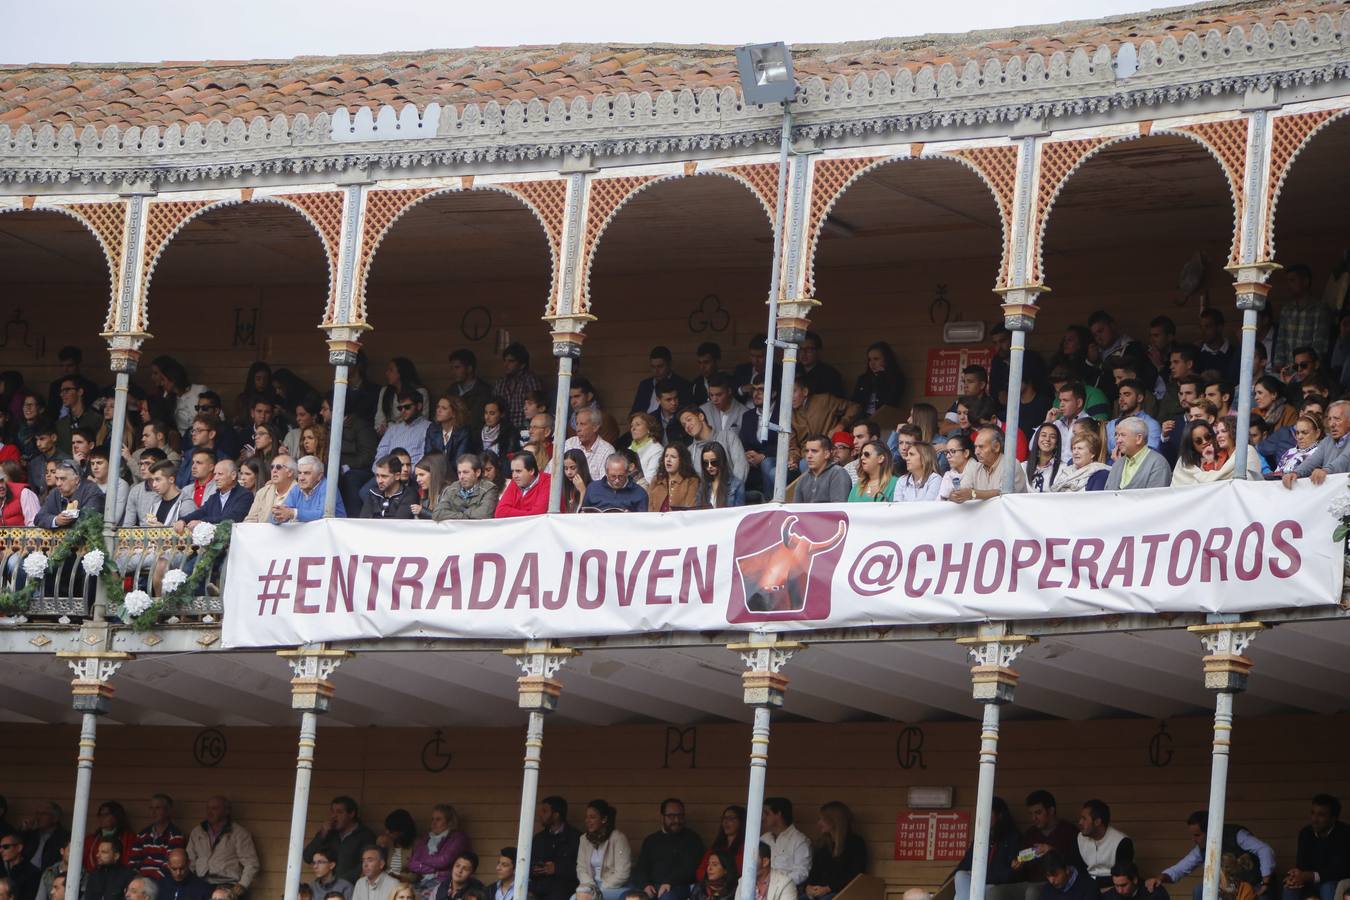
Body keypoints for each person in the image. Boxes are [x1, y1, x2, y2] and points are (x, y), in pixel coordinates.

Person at [1148, 812, 1275, 900]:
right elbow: (1180, 869)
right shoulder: (1202, 849)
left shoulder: (1236, 834)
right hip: (1225, 889)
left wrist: (1266, 883)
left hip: (1254, 884)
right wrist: (1160, 878)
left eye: (1197, 835)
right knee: (1199, 890)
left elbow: (1265, 850)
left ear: (1211, 831)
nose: (1193, 839)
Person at [632, 799, 703, 900]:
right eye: (671, 816)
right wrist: (645, 885)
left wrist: (670, 882)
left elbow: (691, 868)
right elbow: (641, 867)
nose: (677, 820)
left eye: (680, 816)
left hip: (679, 886)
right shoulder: (651, 840)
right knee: (628, 897)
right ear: (662, 817)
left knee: (667, 897)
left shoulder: (692, 839)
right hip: (652, 887)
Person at [1283, 794, 1350, 900]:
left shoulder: (1345, 834)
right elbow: (1301, 865)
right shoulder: (1305, 833)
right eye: (1313, 813)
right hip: (1309, 883)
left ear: (1333, 819)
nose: (1314, 819)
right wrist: (1295, 877)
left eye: (1321, 815)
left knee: (1328, 887)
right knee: (1290, 887)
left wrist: (1311, 876)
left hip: (1335, 882)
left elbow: (1341, 871)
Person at [185, 797, 258, 894]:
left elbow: (251, 863)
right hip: (201, 881)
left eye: (214, 808)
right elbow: (189, 860)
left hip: (227, 884)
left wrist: (243, 884)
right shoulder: (198, 831)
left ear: (227, 811)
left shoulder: (239, 833)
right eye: (208, 808)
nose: (209, 812)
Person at [954, 798, 1019, 900]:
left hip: (996, 887)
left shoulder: (1012, 838)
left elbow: (1010, 874)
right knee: (960, 875)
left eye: (988, 813)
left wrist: (983, 877)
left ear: (1000, 816)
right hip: (977, 886)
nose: (983, 817)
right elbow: (964, 865)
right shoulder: (981, 838)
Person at [1015, 791, 1082, 889]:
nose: (1034, 818)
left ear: (1051, 811)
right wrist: (1018, 864)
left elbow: (1076, 865)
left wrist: (1052, 851)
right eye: (1031, 814)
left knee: (1032, 891)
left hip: (1056, 884)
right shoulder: (1030, 833)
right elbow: (1023, 863)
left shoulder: (1069, 831)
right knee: (996, 892)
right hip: (1029, 883)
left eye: (1038, 813)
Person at [304, 798, 377, 886]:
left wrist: (341, 882)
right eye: (332, 812)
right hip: (325, 888)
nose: (334, 816)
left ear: (351, 814)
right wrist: (322, 834)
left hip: (351, 888)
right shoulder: (328, 833)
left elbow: (367, 864)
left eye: (339, 812)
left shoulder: (365, 835)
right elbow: (307, 857)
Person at [803, 803, 866, 900]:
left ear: (835, 820)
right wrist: (808, 887)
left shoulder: (855, 844)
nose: (819, 824)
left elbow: (854, 875)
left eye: (822, 819)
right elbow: (814, 871)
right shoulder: (823, 844)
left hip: (842, 893)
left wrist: (828, 888)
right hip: (819, 892)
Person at [1274, 265, 1330, 370]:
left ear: (1305, 282)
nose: (1289, 285)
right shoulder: (1286, 310)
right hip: (1288, 370)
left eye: (1292, 280)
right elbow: (1281, 340)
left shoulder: (1319, 309)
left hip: (1309, 371)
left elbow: (1320, 344)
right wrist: (1279, 365)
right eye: (1288, 281)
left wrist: (1307, 367)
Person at [949, 427, 1027, 501]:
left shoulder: (1011, 465)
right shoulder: (975, 467)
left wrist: (973, 494)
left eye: (981, 447)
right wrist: (956, 495)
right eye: (975, 447)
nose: (976, 452)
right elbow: (962, 491)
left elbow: (1004, 495)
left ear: (996, 447)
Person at [1282, 401, 1350, 486]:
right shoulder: (1327, 441)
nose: (1332, 424)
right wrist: (1296, 473)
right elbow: (1312, 460)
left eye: (1337, 419)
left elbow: (1344, 459)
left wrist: (1325, 471)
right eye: (1329, 419)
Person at [408, 805, 469, 899]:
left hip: (443, 882)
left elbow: (443, 861)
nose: (433, 823)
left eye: (438, 819)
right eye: (432, 819)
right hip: (422, 881)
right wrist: (434, 870)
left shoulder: (457, 838)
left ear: (449, 822)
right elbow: (412, 864)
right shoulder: (426, 838)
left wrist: (422, 861)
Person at [574, 801, 630, 900]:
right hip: (591, 887)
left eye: (592, 817)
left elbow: (623, 873)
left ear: (604, 819)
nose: (587, 820)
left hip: (614, 888)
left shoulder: (618, 838)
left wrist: (601, 888)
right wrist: (591, 887)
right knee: (574, 898)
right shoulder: (584, 839)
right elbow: (581, 868)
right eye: (586, 817)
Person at [175, 460, 251, 531]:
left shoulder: (245, 495)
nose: (216, 478)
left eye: (220, 474)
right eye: (215, 474)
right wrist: (183, 520)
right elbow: (200, 512)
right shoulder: (214, 497)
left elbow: (232, 518)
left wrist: (203, 522)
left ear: (233, 475)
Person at [530, 797, 580, 900]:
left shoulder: (576, 838)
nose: (540, 815)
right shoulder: (538, 838)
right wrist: (534, 869)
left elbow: (583, 869)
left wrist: (557, 869)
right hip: (538, 887)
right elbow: (527, 863)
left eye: (545, 811)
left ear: (556, 815)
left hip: (564, 890)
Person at [679, 407, 747, 483]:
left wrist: (731, 491)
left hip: (732, 491)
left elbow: (741, 466)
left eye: (689, 420)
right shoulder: (689, 451)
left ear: (701, 417)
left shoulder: (728, 437)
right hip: (704, 494)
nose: (687, 426)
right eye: (684, 425)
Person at [1078, 801, 1133, 892]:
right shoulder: (1080, 838)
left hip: (1113, 888)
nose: (1080, 822)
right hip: (1087, 886)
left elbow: (1124, 875)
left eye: (1084, 819)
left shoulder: (1122, 842)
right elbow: (1077, 869)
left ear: (1097, 822)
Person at [34, 458, 104, 528]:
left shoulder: (92, 491)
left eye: (62, 479)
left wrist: (67, 521)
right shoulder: (55, 492)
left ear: (76, 480)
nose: (58, 484)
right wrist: (56, 520)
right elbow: (38, 518)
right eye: (57, 479)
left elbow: (90, 520)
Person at [129, 794, 185, 881]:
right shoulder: (142, 834)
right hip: (140, 880)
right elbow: (133, 862)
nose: (153, 812)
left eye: (158, 808)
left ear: (167, 811)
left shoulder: (175, 835)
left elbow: (170, 865)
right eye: (151, 808)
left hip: (161, 882)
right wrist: (135, 878)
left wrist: (149, 880)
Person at [1105, 418, 1172, 490]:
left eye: (1122, 435)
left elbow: (1155, 498)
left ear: (1139, 438)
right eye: (1117, 435)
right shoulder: (1117, 464)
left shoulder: (1158, 464)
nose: (1118, 440)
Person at [273, 457, 345, 523]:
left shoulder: (328, 487)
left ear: (319, 476)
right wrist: (277, 515)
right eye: (299, 473)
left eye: (307, 473)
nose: (301, 478)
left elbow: (324, 515)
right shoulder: (296, 489)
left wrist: (293, 513)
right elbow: (277, 517)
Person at [493, 344, 545, 428]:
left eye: (511, 361)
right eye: (505, 361)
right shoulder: (500, 383)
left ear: (522, 364)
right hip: (502, 430)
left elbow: (538, 408)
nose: (506, 365)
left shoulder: (530, 380)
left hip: (526, 429)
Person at [434, 454, 499, 520]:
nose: (461, 476)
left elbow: (483, 515)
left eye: (465, 472)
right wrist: (462, 515)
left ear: (477, 473)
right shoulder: (452, 488)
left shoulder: (489, 489)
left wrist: (458, 511)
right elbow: (437, 513)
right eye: (459, 473)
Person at [761, 800, 809, 887]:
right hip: (760, 889)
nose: (763, 818)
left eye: (767, 813)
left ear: (779, 814)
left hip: (786, 891)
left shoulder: (799, 840)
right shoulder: (764, 838)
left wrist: (778, 884)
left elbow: (802, 872)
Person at [377, 391, 430, 469]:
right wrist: (381, 471)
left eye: (407, 407)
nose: (403, 411)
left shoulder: (429, 428)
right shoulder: (393, 429)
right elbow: (381, 453)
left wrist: (405, 473)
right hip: (387, 474)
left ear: (419, 406)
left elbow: (425, 457)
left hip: (413, 476)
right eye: (400, 408)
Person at [632, 347, 692, 414]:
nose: (656, 371)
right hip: (646, 422)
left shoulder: (683, 385)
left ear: (669, 364)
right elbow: (634, 412)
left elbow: (686, 412)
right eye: (653, 367)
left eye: (660, 366)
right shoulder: (645, 385)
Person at [851, 341, 903, 418]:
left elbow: (891, 401)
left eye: (876, 359)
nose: (872, 363)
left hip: (884, 419)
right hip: (862, 419)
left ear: (886, 359)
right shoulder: (863, 379)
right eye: (869, 359)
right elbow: (855, 402)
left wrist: (881, 377)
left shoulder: (896, 379)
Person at [447, 349, 494, 431]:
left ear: (469, 368)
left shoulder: (486, 392)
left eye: (457, 367)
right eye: (452, 368)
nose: (453, 372)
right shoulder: (450, 391)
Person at [564, 409, 616, 482]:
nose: (578, 429)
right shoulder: (569, 443)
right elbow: (550, 471)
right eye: (577, 424)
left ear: (595, 427)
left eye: (582, 424)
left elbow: (605, 485)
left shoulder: (607, 450)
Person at [582, 454, 648, 512]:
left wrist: (631, 516)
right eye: (613, 476)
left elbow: (643, 521)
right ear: (606, 473)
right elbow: (583, 513)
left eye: (621, 476)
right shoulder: (592, 488)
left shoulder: (639, 493)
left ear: (627, 473)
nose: (617, 480)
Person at [795, 435, 851, 503]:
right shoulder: (802, 479)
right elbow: (797, 509)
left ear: (827, 454)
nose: (809, 456)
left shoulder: (838, 473)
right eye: (807, 451)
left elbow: (839, 508)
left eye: (814, 451)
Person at [695, 809, 744, 886]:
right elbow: (700, 871)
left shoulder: (745, 847)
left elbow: (741, 871)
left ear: (741, 821)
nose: (726, 822)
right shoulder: (716, 846)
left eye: (730, 818)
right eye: (724, 818)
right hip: (711, 887)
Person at [495, 453, 549, 518]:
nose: (514, 476)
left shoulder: (548, 481)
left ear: (531, 471)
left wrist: (512, 512)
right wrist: (529, 513)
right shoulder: (516, 481)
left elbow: (537, 514)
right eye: (512, 471)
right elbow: (499, 512)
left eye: (518, 471)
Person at [19, 803, 66, 876]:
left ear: (55, 818)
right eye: (37, 813)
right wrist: (24, 830)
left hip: (48, 874)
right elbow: (16, 847)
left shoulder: (63, 837)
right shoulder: (31, 834)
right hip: (26, 873)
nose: (38, 817)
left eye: (43, 814)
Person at [648, 445, 699, 512]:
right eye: (666, 456)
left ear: (682, 460)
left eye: (673, 457)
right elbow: (650, 510)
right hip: (657, 521)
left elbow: (690, 510)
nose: (668, 460)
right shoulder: (656, 480)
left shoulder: (691, 481)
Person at [244, 455, 293, 523]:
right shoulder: (262, 492)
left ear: (290, 472)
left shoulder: (300, 492)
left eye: (278, 467)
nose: (274, 470)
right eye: (272, 467)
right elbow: (250, 520)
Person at [798, 332, 846, 399]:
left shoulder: (830, 374)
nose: (804, 353)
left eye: (809, 349)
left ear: (819, 351)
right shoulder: (793, 370)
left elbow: (836, 402)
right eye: (801, 349)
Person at [696, 442, 744, 509]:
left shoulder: (736, 485)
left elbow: (739, 513)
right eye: (706, 463)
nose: (709, 466)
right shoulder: (702, 485)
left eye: (714, 462)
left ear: (722, 460)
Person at [627, 413, 663, 483]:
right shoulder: (629, 449)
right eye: (632, 426)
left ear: (649, 428)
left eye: (638, 425)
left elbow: (650, 479)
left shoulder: (657, 450)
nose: (633, 428)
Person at [1026, 424, 1062, 493]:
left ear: (1057, 443)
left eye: (1052, 437)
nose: (1047, 439)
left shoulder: (1063, 468)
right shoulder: (1023, 467)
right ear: (1037, 439)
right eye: (1043, 435)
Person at [938, 433, 975, 500]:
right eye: (947, 452)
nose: (948, 456)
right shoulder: (948, 475)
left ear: (966, 453)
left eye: (952, 451)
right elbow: (939, 501)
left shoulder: (978, 471)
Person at [0, 836, 37, 900]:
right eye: (0, 847)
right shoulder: (2, 869)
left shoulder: (32, 873)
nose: (1, 850)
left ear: (19, 848)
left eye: (6, 847)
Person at [560, 450, 593, 514]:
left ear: (581, 467)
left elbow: (583, 515)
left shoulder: (592, 487)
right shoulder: (562, 488)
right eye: (566, 468)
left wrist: (583, 491)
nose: (569, 472)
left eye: (573, 468)